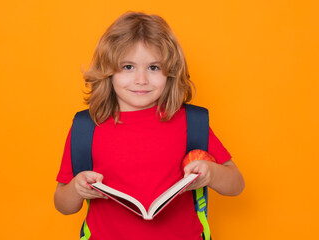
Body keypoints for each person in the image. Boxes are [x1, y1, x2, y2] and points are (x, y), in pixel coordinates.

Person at [54, 11, 244, 240]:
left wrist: (211, 174)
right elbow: (63, 205)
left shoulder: (190, 123)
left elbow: (236, 185)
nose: (141, 80)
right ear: (108, 71)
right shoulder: (87, 127)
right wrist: (76, 189)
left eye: (153, 67)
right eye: (127, 67)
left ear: (170, 72)